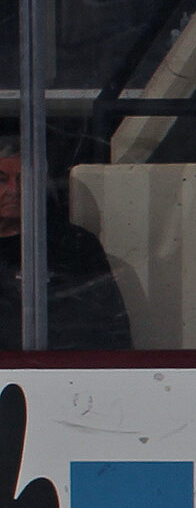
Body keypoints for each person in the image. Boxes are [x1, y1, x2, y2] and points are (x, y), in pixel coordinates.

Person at [0, 140, 131, 352]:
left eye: (23, 179)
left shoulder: (73, 246)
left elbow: (109, 333)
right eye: (1, 180)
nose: (14, 190)